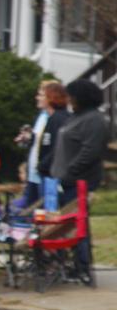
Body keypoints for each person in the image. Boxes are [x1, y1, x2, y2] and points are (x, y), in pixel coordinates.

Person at [51, 79, 109, 278]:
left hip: (79, 180)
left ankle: (82, 265)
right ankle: (69, 262)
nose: (68, 100)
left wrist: (70, 172)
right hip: (64, 179)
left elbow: (90, 151)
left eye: (71, 96)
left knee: (77, 224)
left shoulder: (94, 120)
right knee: (66, 225)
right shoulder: (75, 117)